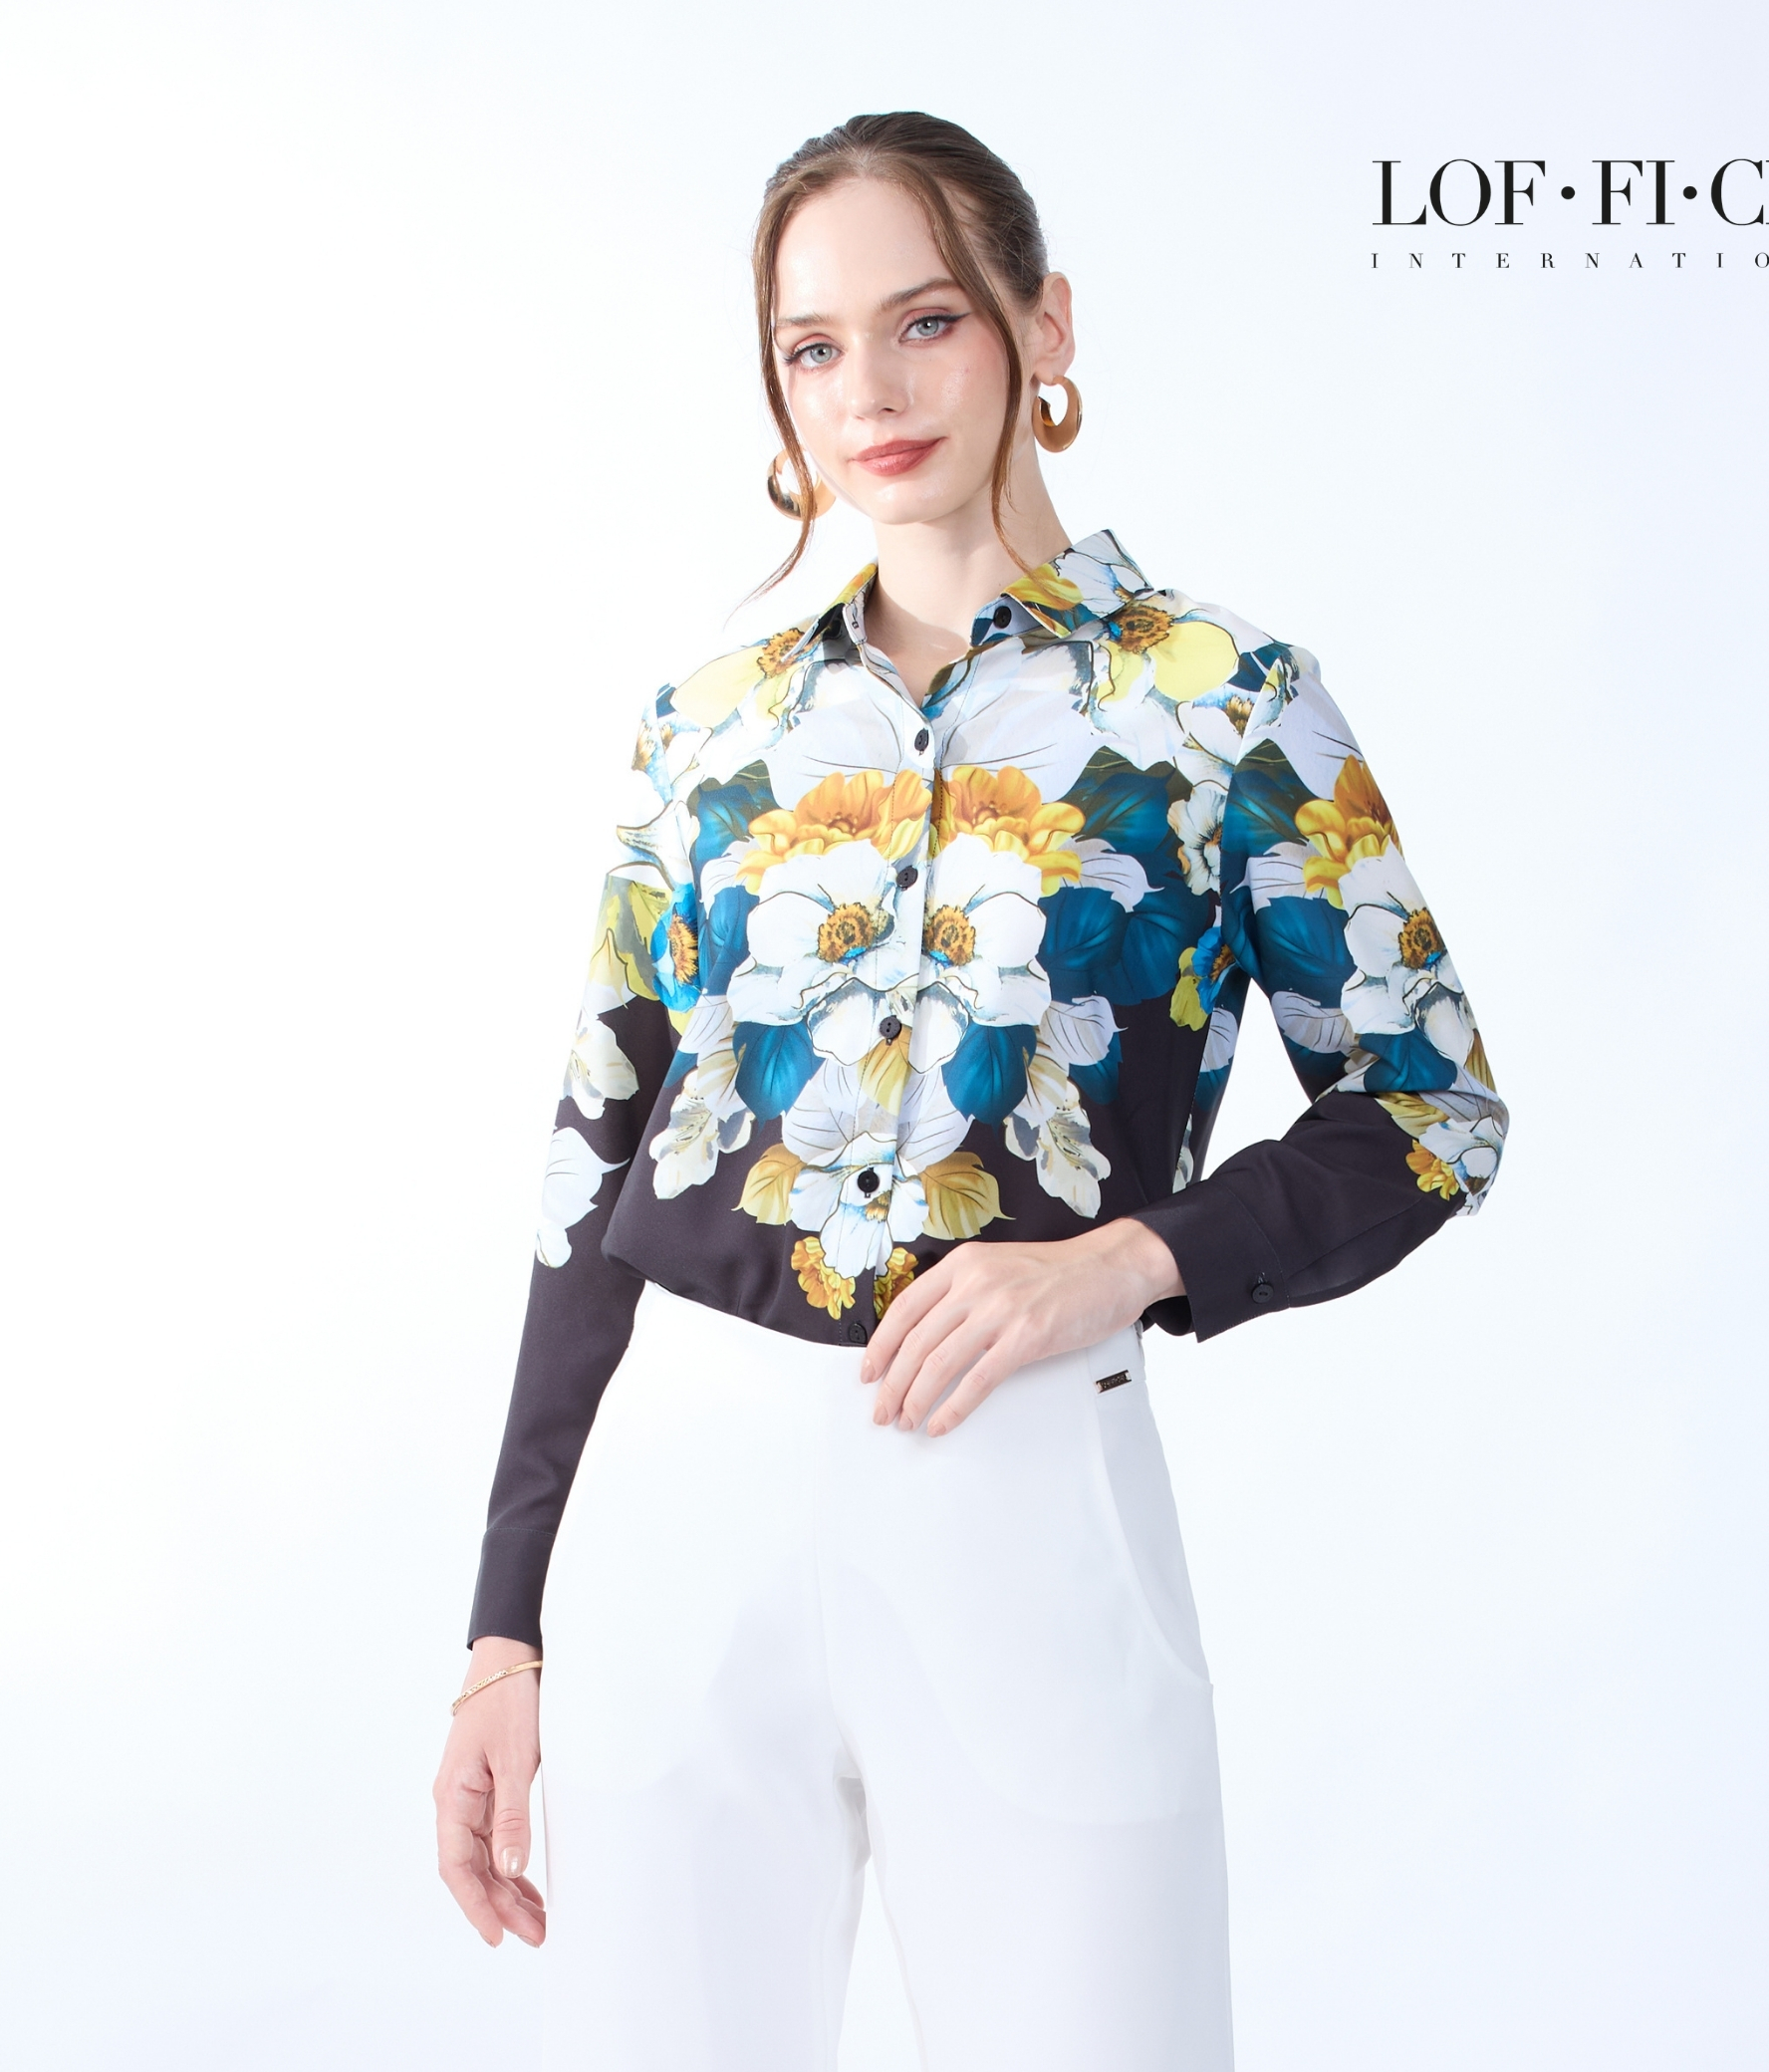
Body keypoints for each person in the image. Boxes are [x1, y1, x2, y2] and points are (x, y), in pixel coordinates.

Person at [431, 109, 1508, 2072]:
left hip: (1027, 1488)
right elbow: (592, 1163)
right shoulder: (709, 732)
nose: (870, 389)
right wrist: (505, 1627)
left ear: (1042, 324)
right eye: (812, 345)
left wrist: (1127, 1260)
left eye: (923, 320)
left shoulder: (1222, 701)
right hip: (679, 1499)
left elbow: (1429, 1112)